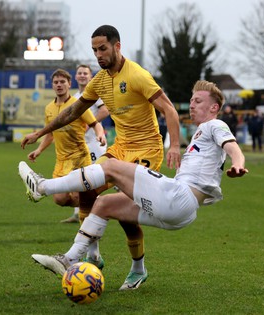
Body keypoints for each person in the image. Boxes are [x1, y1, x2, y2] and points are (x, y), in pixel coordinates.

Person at [18, 80, 248, 288]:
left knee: (110, 167)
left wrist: (238, 163)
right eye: (191, 100)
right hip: (181, 209)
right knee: (104, 204)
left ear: (214, 108)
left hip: (179, 198)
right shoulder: (201, 131)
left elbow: (232, 147)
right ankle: (72, 260)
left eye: (198, 101)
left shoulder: (215, 125)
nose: (192, 105)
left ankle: (42, 187)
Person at [21, 25, 181, 290]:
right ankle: (92, 255)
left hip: (146, 152)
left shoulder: (137, 75)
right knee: (87, 187)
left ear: (117, 46)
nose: (98, 55)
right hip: (120, 148)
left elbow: (169, 109)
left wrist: (174, 145)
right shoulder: (99, 81)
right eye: (94, 50)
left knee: (125, 212)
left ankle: (138, 269)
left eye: (102, 48)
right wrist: (41, 132)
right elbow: (72, 112)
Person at [24, 68, 106, 217]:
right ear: (52, 85)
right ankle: (96, 202)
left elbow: (95, 123)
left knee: (78, 196)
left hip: (80, 157)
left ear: (69, 84)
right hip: (62, 159)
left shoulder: (77, 104)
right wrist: (39, 150)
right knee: (60, 199)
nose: (59, 85)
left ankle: (94, 207)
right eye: (56, 82)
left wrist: (100, 134)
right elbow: (50, 134)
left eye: (62, 82)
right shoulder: (49, 108)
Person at [60, 64, 110, 224]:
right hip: (81, 144)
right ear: (75, 77)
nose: (82, 75)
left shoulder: (94, 93)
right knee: (81, 177)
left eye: (85, 73)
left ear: (90, 77)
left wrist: (89, 124)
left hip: (95, 142)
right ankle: (78, 213)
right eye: (79, 73)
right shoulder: (75, 96)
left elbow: (104, 111)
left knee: (99, 177)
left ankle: (115, 204)